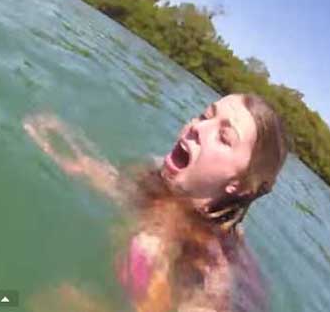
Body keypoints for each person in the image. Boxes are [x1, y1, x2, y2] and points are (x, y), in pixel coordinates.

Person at [23, 94, 288, 312]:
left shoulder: (206, 263)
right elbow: (123, 188)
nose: (197, 127)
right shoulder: (160, 180)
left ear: (238, 185)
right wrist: (77, 160)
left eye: (224, 137)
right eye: (206, 115)